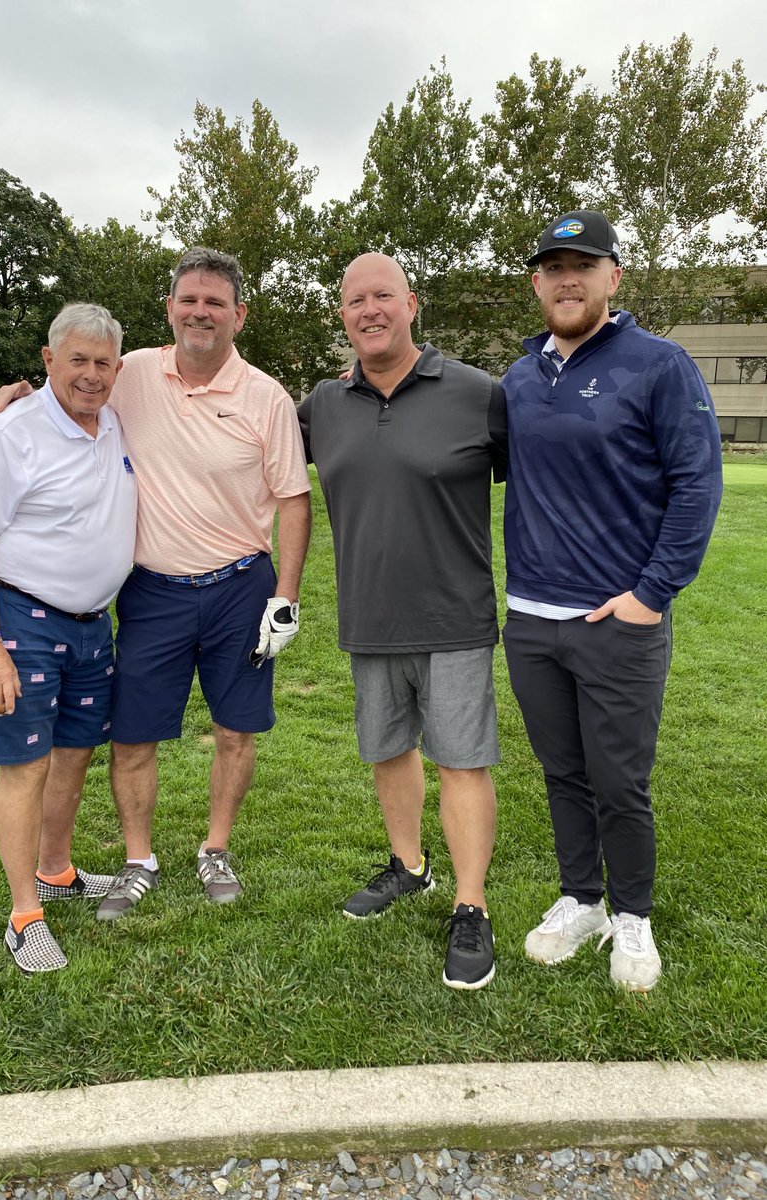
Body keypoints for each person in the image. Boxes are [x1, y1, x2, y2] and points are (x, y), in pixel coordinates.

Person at [0, 248, 311, 916]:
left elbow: (293, 500)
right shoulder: (131, 371)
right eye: (188, 300)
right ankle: (140, 859)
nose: (200, 312)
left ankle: (215, 847)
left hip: (240, 587)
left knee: (234, 730)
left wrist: (286, 594)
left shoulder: (267, 397)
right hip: (153, 591)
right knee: (133, 736)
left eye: (215, 302)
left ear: (238, 316)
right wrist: (20, 392)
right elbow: (69, 386)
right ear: (169, 309)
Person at [500, 210, 723, 992]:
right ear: (536, 282)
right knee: (563, 773)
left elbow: (698, 483)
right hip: (531, 619)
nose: (568, 278)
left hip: (617, 623)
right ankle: (580, 899)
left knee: (620, 780)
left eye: (583, 264)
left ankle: (633, 915)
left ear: (612, 276)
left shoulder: (659, 365)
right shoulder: (520, 378)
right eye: (553, 266)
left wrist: (652, 595)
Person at [297, 253, 507, 991]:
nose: (369, 310)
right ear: (344, 316)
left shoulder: (478, 393)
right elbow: (224, 436)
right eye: (355, 300)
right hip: (369, 616)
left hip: (455, 616)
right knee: (389, 751)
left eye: (382, 295)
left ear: (411, 304)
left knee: (461, 759)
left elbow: (551, 472)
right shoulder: (320, 405)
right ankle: (409, 867)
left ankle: (471, 905)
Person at [0, 303, 136, 974]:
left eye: (103, 362)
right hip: (19, 618)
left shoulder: (116, 418)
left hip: (91, 625)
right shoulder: (10, 432)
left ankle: (57, 870)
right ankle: (24, 914)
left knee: (75, 755)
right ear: (47, 359)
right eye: (77, 360)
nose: (91, 375)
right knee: (25, 765)